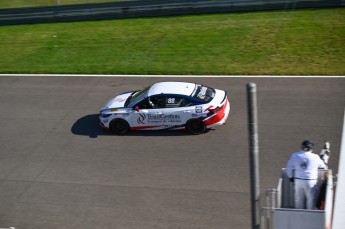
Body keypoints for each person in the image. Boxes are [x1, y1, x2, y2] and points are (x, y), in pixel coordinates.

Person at [286, 140, 328, 209]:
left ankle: (299, 216)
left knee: (298, 200)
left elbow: (289, 168)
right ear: (310, 148)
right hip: (310, 182)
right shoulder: (315, 157)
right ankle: (309, 216)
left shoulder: (295, 155)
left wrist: (291, 178)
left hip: (298, 181)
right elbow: (323, 166)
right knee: (311, 201)